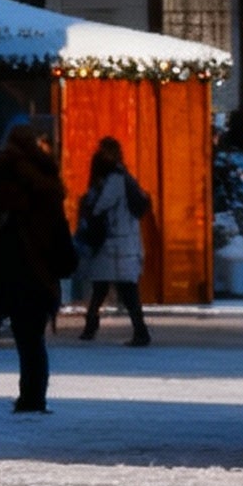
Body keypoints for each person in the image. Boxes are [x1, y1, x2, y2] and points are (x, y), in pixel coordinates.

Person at [0, 119, 77, 413]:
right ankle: (34, 394)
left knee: (24, 334)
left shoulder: (5, 173)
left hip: (17, 260)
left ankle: (30, 396)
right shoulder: (47, 177)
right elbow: (57, 227)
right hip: (42, 265)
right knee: (33, 336)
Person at [74, 134, 155, 345]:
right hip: (122, 243)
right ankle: (95, 326)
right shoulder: (124, 177)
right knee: (113, 287)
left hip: (114, 244)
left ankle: (137, 331)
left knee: (120, 289)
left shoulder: (114, 180)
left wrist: (89, 204)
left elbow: (101, 205)